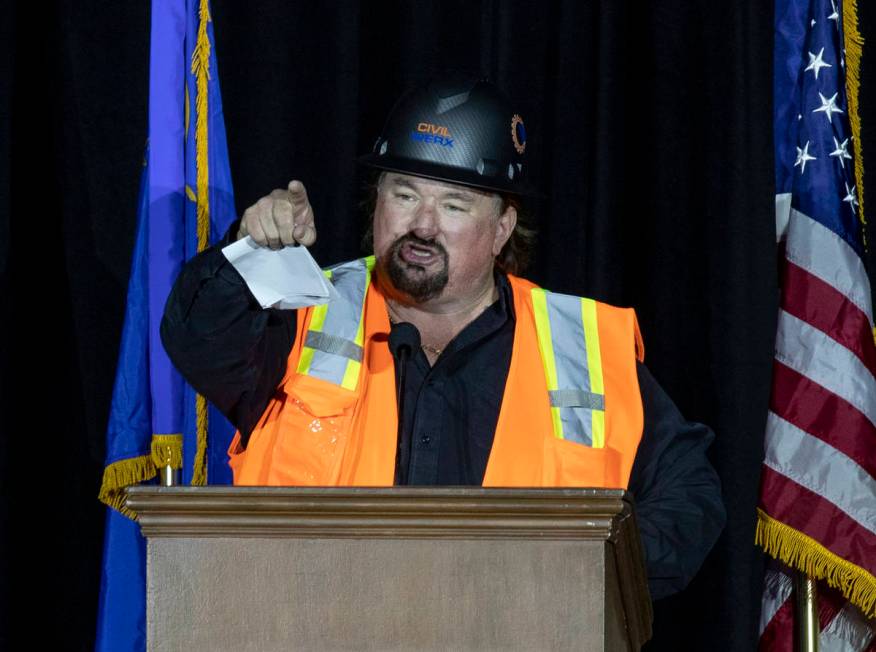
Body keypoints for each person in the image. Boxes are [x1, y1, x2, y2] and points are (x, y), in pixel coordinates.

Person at [161, 75, 725, 599]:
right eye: (405, 194)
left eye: (453, 204)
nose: (423, 225)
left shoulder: (582, 347)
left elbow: (690, 496)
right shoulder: (304, 314)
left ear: (503, 228)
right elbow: (197, 337)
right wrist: (252, 251)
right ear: (378, 200)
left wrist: (591, 571)